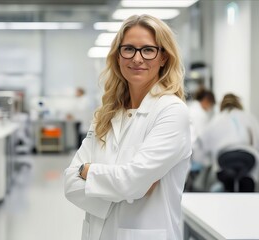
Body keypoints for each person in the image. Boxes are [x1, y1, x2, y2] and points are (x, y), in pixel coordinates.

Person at [64, 14, 191, 240]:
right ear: (118, 56)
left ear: (163, 57)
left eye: (148, 50)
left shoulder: (171, 111)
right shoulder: (107, 114)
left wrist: (88, 171)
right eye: (129, 49)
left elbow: (131, 182)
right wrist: (125, 184)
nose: (137, 58)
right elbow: (70, 184)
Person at [193, 93, 259, 191]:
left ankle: (229, 188)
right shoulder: (248, 117)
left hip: (225, 158)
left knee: (228, 188)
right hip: (247, 158)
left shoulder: (217, 119)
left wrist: (205, 161)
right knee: (247, 188)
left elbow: (200, 145)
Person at [185, 87, 216, 191]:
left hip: (191, 150)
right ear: (206, 101)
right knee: (192, 182)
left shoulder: (193, 109)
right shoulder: (199, 114)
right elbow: (203, 135)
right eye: (211, 104)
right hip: (194, 151)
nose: (210, 108)